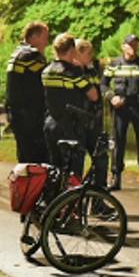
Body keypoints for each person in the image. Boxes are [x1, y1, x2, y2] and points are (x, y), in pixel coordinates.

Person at [102, 34, 139, 192]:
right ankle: (116, 177)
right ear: (123, 46)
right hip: (120, 109)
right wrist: (112, 97)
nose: (134, 47)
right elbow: (103, 85)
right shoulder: (114, 64)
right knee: (118, 143)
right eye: (130, 44)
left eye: (136, 44)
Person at [42, 33, 98, 177]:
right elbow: (94, 95)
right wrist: (82, 72)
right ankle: (71, 199)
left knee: (55, 169)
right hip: (71, 126)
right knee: (73, 172)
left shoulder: (46, 71)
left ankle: (54, 198)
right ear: (72, 49)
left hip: (51, 124)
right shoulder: (73, 72)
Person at [6, 22, 50, 163]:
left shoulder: (17, 52)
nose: (47, 42)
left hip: (17, 112)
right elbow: (47, 76)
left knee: (24, 155)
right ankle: (35, 185)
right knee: (37, 157)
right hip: (30, 114)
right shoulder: (30, 55)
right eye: (45, 37)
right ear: (34, 37)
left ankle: (25, 184)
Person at [76, 38, 106, 186]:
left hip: (93, 120)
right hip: (80, 121)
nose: (91, 57)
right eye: (88, 54)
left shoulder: (91, 70)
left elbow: (98, 94)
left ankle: (99, 198)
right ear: (78, 53)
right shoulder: (73, 71)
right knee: (77, 162)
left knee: (101, 158)